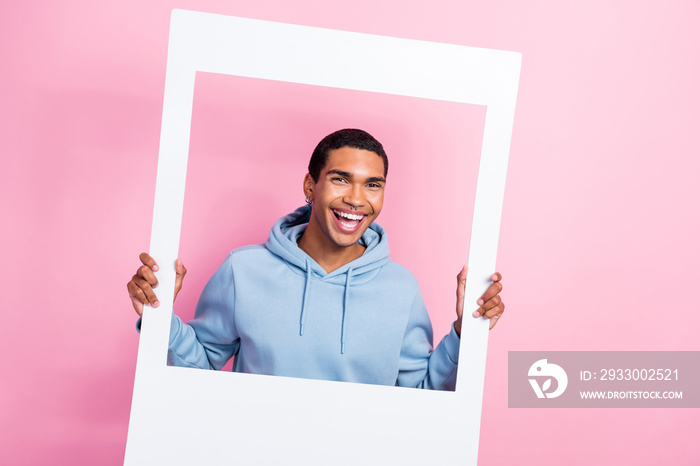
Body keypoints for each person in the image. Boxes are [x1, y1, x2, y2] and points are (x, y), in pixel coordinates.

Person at [127, 128, 505, 390]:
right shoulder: (243, 270)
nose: (357, 199)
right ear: (311, 186)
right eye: (341, 179)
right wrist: (158, 316)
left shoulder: (401, 288)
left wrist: (464, 332)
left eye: (372, 185)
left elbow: (419, 392)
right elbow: (200, 369)